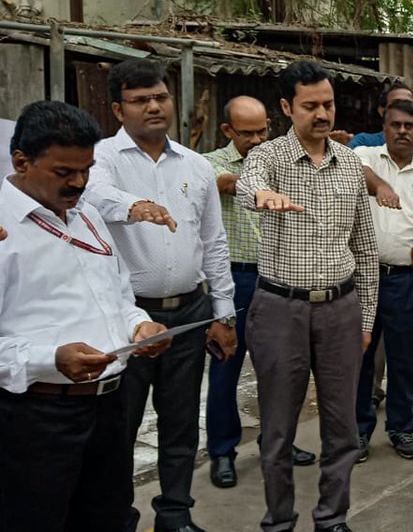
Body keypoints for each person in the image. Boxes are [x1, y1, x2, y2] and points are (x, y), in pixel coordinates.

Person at [0, 100, 171, 532]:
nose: (79, 183)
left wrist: (139, 326)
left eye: (87, 169)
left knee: (109, 517)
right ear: (21, 160)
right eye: (63, 172)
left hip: (110, 406)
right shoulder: (3, 230)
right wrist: (50, 358)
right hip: (35, 417)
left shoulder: (88, 217)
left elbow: (117, 297)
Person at [82, 58, 236, 532]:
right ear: (117, 108)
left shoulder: (195, 166)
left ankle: (175, 514)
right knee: (119, 427)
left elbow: (213, 241)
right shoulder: (101, 158)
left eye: (160, 97)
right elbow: (91, 195)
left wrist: (223, 312)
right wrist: (134, 206)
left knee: (181, 423)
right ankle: (119, 518)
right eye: (140, 99)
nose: (153, 106)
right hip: (125, 317)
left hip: (188, 311)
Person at [236, 60, 379, 532]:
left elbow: (365, 247)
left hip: (340, 309)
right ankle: (279, 521)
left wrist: (365, 319)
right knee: (277, 430)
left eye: (328, 104)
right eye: (311, 105)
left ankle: (331, 518)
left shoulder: (350, 165)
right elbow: (248, 182)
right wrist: (264, 196)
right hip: (281, 309)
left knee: (343, 428)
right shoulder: (270, 157)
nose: (323, 114)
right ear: (286, 107)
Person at [202, 96, 317, 490]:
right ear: (227, 132)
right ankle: (222, 451)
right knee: (225, 368)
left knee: (280, 370)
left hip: (281, 280)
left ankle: (277, 443)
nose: (255, 139)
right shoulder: (211, 164)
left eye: (261, 131)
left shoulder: (283, 160)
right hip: (233, 282)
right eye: (246, 133)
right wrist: (257, 188)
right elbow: (225, 184)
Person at [352, 101, 413, 463]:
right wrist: (381, 185)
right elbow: (352, 165)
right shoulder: (363, 156)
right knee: (359, 359)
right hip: (363, 279)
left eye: (410, 126)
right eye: (395, 125)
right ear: (384, 127)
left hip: (410, 280)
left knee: (406, 361)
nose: (402, 131)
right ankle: (358, 432)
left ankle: (402, 429)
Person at [345, 81, 413, 176]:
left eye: (408, 105)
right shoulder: (363, 143)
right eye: (396, 104)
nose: (402, 130)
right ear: (382, 110)